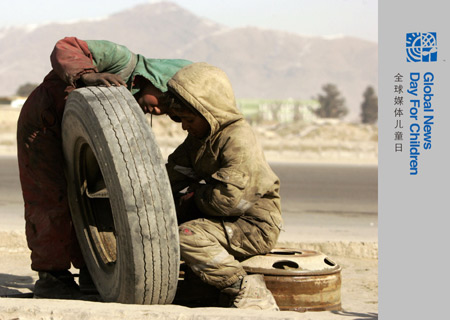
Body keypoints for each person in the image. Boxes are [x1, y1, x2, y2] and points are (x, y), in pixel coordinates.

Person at [16, 36, 192, 299]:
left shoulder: (136, 100)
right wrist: (86, 75)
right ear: (155, 81)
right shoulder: (120, 59)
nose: (158, 110)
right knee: (51, 200)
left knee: (96, 198)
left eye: (167, 111)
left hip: (87, 136)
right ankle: (52, 277)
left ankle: (91, 269)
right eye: (163, 101)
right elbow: (66, 46)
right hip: (43, 126)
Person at [165, 62, 283, 310]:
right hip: (218, 218)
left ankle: (247, 289)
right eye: (181, 120)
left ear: (209, 112)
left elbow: (228, 201)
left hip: (252, 225)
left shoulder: (238, 139)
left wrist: (194, 194)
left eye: (189, 119)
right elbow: (172, 177)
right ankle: (200, 290)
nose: (184, 126)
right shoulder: (199, 138)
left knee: (188, 237)